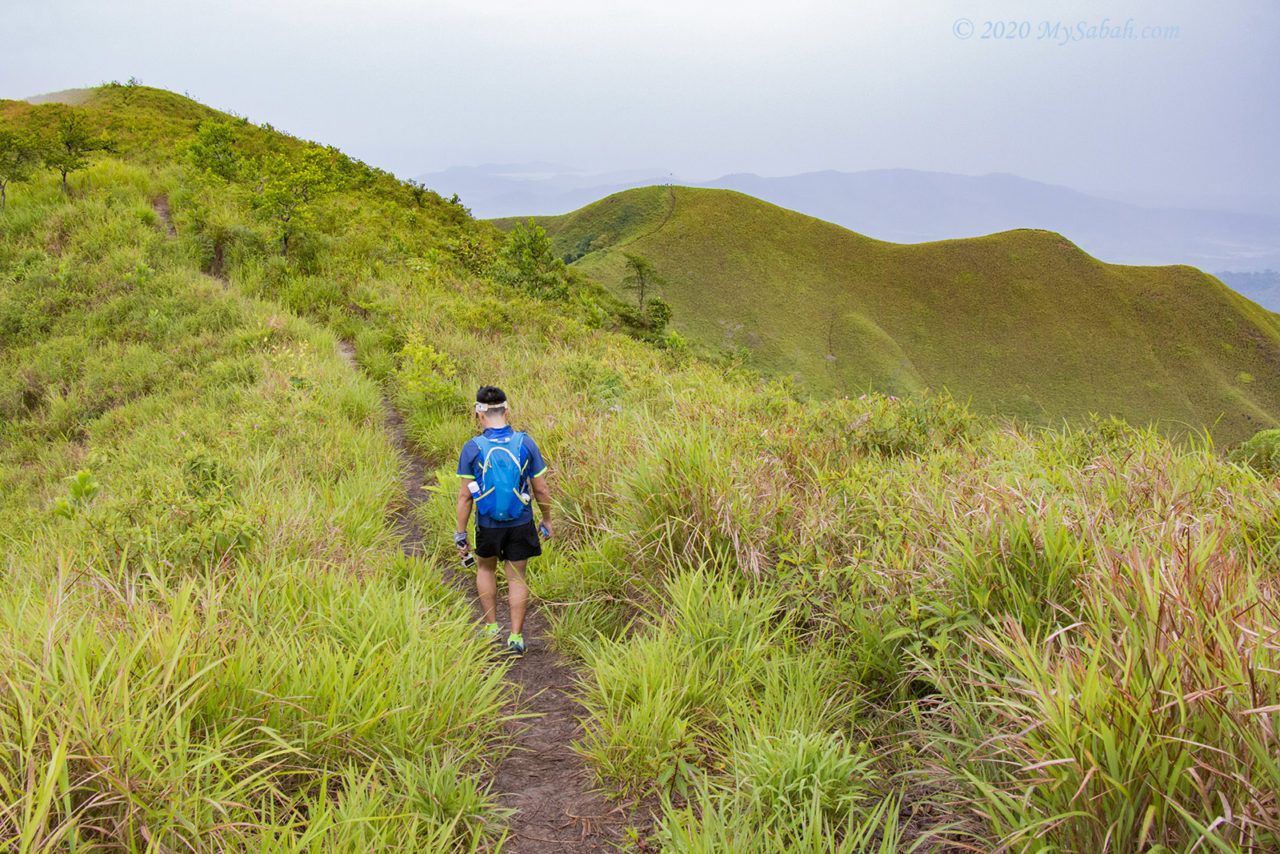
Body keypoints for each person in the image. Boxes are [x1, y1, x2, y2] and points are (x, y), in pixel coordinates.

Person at [454, 385, 553, 657]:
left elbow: (465, 497)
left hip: (487, 524)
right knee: (517, 577)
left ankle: (490, 629)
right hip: (521, 521)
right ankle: (517, 638)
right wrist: (546, 519)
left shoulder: (472, 448)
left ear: (479, 413)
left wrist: (460, 533)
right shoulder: (525, 442)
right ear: (507, 410)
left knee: (485, 570)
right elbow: (541, 489)